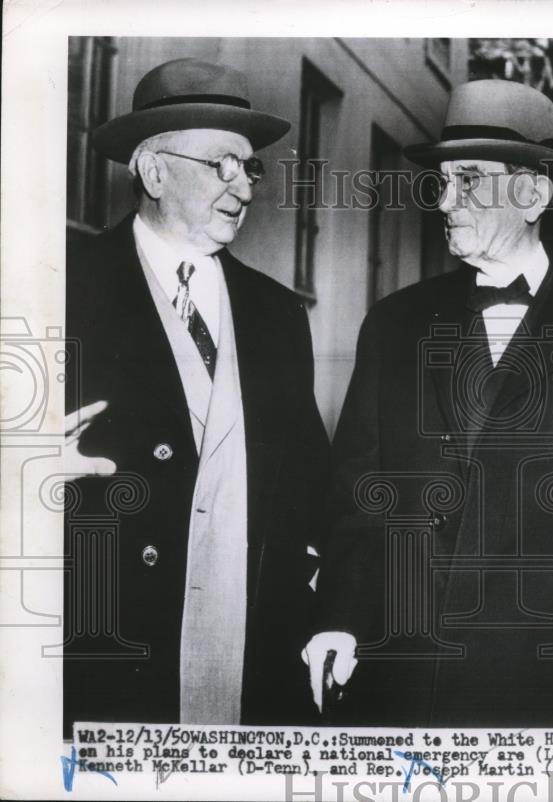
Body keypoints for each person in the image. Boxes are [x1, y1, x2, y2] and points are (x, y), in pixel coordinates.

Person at [306, 79, 553, 726]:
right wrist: (339, 620)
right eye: (443, 181)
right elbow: (359, 497)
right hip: (404, 679)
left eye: (470, 180)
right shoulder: (395, 323)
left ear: (534, 193)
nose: (445, 200)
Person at [62, 58, 328, 733]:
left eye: (250, 167)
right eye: (222, 165)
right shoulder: (60, 288)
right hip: (109, 663)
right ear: (154, 172)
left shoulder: (277, 313)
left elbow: (311, 486)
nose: (244, 186)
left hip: (249, 665)